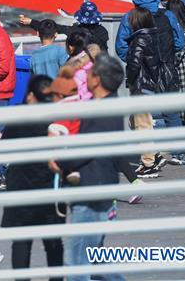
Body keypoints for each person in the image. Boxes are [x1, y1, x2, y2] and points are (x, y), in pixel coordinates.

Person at [57, 55, 126, 281]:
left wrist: (59, 163)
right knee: (95, 257)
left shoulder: (99, 111)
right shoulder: (110, 106)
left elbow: (85, 149)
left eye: (91, 71)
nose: (86, 73)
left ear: (96, 80)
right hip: (101, 185)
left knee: (77, 261)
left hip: (91, 188)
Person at [1, 75, 64, 281]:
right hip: (50, 188)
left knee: (21, 242)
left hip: (21, 185)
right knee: (53, 244)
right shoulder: (57, 116)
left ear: (30, 94)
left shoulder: (19, 115)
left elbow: (7, 146)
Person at [124, 7, 185, 168]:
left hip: (141, 83)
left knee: (141, 123)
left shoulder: (139, 38)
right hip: (158, 78)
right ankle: (162, 155)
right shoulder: (155, 34)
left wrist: (129, 79)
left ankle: (148, 163)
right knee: (140, 120)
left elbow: (134, 63)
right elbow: (179, 43)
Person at [115, 0, 185, 62]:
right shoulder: (168, 15)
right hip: (165, 70)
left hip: (139, 72)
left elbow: (121, 47)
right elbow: (179, 43)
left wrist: (134, 61)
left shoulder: (128, 18)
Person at [19, 1, 109, 53]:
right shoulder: (103, 32)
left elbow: (52, 27)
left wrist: (31, 22)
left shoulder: (75, 31)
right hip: (101, 67)